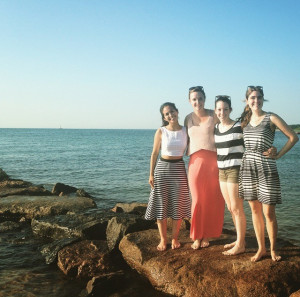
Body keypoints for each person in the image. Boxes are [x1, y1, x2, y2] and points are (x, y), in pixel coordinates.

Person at [239, 86, 299, 262]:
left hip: (266, 167)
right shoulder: (245, 119)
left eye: (258, 97)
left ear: (263, 99)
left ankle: (273, 249)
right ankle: (261, 249)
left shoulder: (270, 117)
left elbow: (293, 137)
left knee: (269, 213)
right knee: (254, 210)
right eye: (252, 98)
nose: (256, 100)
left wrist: (278, 154)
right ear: (247, 100)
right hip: (248, 167)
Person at [145, 102, 191, 251]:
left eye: (172, 111)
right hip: (162, 169)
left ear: (177, 111)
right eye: (167, 114)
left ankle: (175, 239)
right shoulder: (161, 131)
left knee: (177, 206)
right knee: (161, 205)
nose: (170, 115)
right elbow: (154, 153)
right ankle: (163, 240)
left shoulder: (186, 130)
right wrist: (151, 173)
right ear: (164, 117)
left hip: (179, 168)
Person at [184, 86, 225, 249]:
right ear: (189, 101)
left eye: (200, 98)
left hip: (213, 161)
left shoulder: (214, 115)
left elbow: (227, 129)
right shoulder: (187, 118)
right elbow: (181, 139)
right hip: (195, 162)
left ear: (204, 99)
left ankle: (207, 234)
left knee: (212, 199)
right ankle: (196, 235)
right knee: (197, 199)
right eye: (194, 99)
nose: (197, 102)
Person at [214, 95, 246, 255]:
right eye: (219, 109)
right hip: (222, 171)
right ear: (215, 111)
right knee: (230, 207)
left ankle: (240, 244)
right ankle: (240, 240)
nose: (222, 112)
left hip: (236, 170)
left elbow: (252, 143)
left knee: (236, 207)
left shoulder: (239, 126)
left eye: (225, 109)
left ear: (230, 110)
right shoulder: (216, 129)